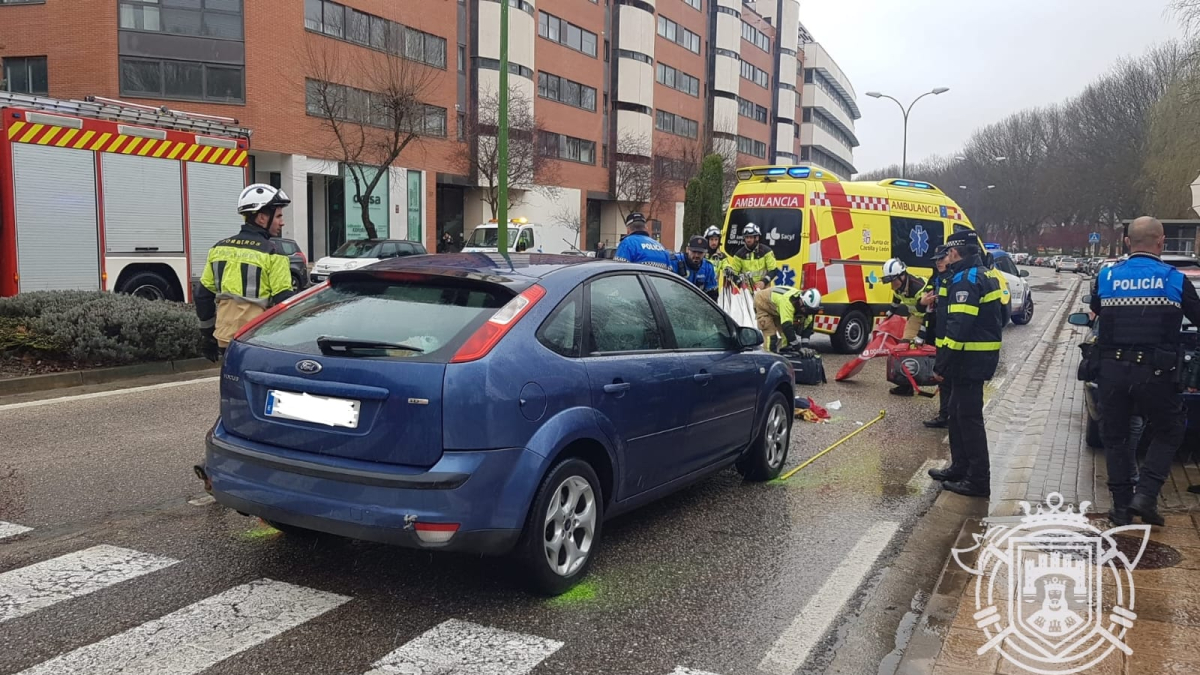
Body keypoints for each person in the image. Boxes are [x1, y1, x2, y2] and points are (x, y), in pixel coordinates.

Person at [1090, 216, 1200, 525]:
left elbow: (1096, 311)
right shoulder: (1174, 280)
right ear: (1161, 242)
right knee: (1170, 428)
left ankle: (1121, 507)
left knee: (1115, 438)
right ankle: (1146, 495)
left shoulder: (1107, 276)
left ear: (1127, 242)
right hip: (1156, 373)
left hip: (1111, 371)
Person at [930, 230, 1004, 498]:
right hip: (974, 358)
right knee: (956, 412)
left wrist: (941, 365)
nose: (947, 257)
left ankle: (977, 480)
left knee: (969, 418)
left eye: (948, 252)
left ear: (954, 252)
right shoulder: (983, 274)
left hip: (969, 359)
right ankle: (960, 467)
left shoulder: (966, 280)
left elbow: (958, 328)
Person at [195, 184, 296, 362]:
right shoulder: (273, 253)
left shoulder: (219, 248)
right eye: (279, 216)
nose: (282, 222)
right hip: (258, 339)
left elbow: (202, 295)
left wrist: (208, 335)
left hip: (225, 339)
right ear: (262, 218)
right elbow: (284, 301)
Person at [882, 258, 930, 396]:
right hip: (915, 316)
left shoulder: (918, 287)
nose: (892, 285)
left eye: (893, 281)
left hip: (930, 317)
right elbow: (896, 298)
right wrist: (891, 312)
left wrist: (922, 334)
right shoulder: (899, 286)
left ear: (902, 276)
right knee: (904, 348)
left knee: (931, 350)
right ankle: (906, 386)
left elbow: (929, 311)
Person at [921, 247, 954, 430]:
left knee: (949, 377)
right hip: (938, 331)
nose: (938, 262)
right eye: (936, 259)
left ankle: (949, 416)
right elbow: (922, 298)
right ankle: (944, 415)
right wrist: (923, 301)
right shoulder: (936, 278)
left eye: (942, 258)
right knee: (943, 378)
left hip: (951, 334)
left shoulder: (954, 278)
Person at [754, 285, 821, 356]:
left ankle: (786, 356)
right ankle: (769, 357)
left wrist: (805, 347)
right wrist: (798, 348)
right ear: (801, 301)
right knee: (771, 336)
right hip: (763, 302)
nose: (805, 312)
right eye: (805, 309)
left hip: (777, 306)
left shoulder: (808, 308)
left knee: (786, 337)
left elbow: (807, 328)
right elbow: (787, 326)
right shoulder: (788, 302)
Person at [725, 223, 778, 289]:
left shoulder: (767, 251)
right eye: (746, 237)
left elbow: (773, 270)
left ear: (757, 238)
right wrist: (741, 284)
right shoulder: (739, 255)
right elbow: (733, 274)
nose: (748, 240)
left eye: (751, 237)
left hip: (764, 289)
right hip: (746, 291)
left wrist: (764, 282)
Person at [677, 236, 719, 300]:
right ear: (687, 250)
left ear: (705, 253)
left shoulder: (708, 268)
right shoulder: (675, 261)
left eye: (700, 252)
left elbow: (712, 296)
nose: (696, 255)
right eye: (694, 251)